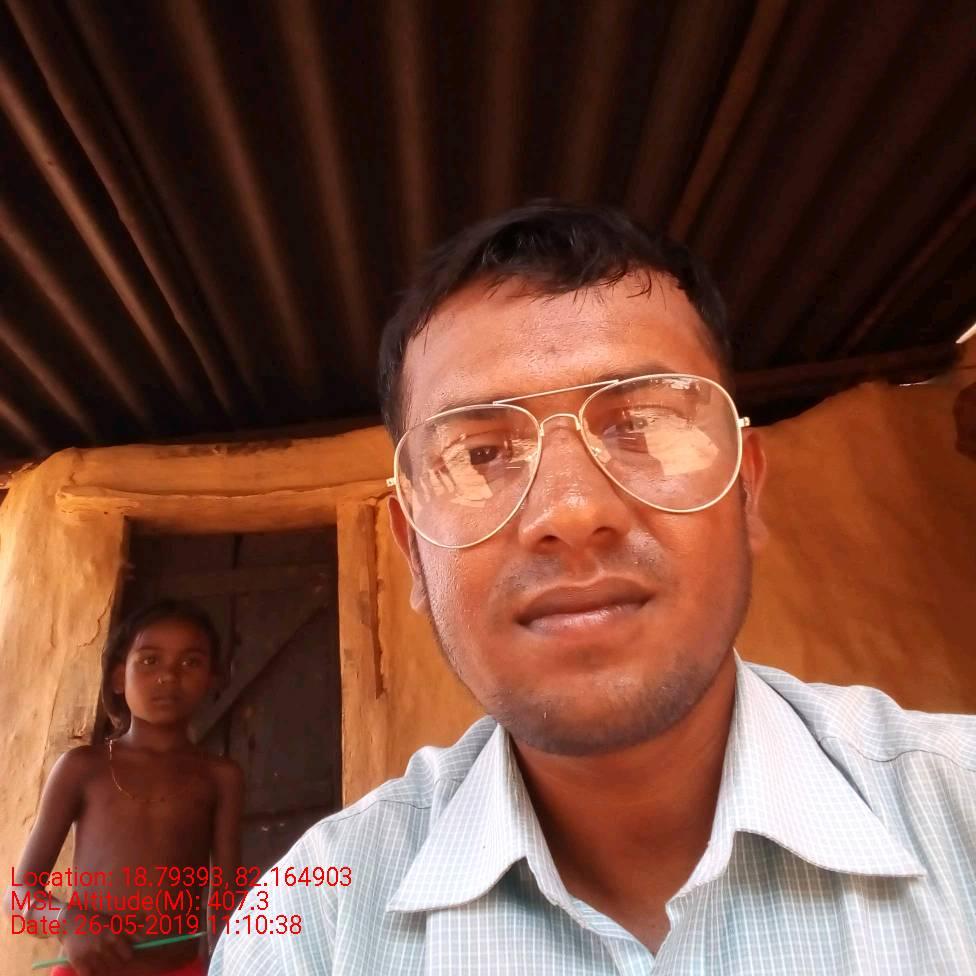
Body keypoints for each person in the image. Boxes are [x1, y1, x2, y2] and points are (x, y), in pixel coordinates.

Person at [210, 202, 976, 974]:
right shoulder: (311, 931)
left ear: (745, 494)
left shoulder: (960, 815)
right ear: (414, 551)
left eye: (642, 424)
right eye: (480, 455)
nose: (571, 512)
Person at [5, 599, 245, 976]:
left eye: (190, 662)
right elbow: (18, 897)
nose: (169, 676)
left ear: (214, 679)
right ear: (119, 678)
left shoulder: (220, 777)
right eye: (150, 660)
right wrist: (67, 921)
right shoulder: (83, 768)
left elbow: (227, 905)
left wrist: (230, 961)